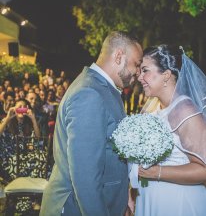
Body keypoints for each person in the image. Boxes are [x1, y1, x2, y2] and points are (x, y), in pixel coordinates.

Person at [40, 31, 143, 216]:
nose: (138, 71)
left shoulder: (104, 88)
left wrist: (121, 202)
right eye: (136, 64)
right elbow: (85, 176)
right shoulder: (89, 93)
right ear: (119, 56)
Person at [129, 45, 206, 216]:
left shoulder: (185, 111)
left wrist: (156, 172)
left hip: (179, 202)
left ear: (166, 75)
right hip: (151, 197)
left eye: (145, 70)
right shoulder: (154, 108)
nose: (140, 77)